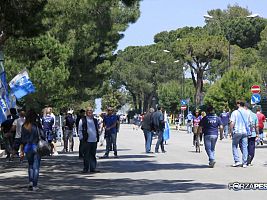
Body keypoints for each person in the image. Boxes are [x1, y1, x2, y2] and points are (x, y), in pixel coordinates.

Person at [20, 109, 45, 191]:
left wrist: (22, 149)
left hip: (27, 147)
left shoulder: (24, 125)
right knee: (36, 167)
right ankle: (34, 185)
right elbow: (42, 135)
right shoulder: (37, 125)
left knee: (30, 165)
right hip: (36, 146)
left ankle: (30, 182)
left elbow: (22, 139)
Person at [78, 107, 100, 173]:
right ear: (86, 112)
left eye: (91, 110)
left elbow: (96, 129)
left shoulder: (95, 120)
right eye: (88, 111)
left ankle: (93, 168)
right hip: (86, 140)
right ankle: (86, 169)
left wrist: (97, 137)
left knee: (93, 155)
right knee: (86, 155)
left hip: (94, 140)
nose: (89, 112)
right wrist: (81, 138)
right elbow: (79, 129)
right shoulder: (82, 120)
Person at [230, 101, 251, 168]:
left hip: (237, 131)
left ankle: (237, 161)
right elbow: (251, 122)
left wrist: (231, 131)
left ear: (238, 105)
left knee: (234, 146)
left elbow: (232, 123)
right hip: (245, 132)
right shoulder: (248, 112)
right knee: (245, 147)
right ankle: (244, 163)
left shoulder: (235, 112)